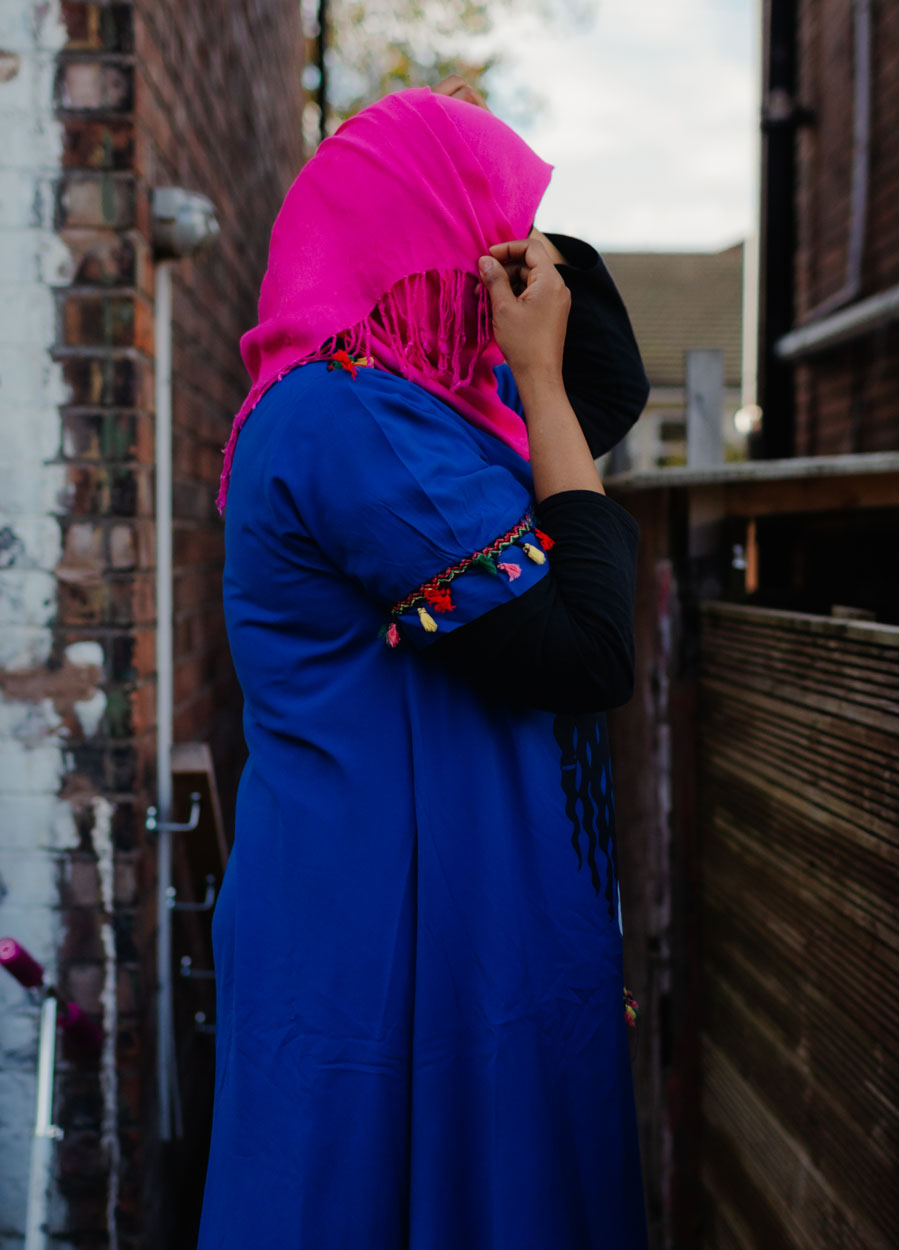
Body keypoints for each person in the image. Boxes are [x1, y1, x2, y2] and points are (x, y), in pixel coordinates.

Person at [196, 79, 650, 1249]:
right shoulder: (349, 420)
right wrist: (536, 380)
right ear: (419, 242)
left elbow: (609, 391)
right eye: (484, 229)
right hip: (381, 947)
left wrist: (542, 313)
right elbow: (587, 647)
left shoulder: (432, 415)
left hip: (438, 923)